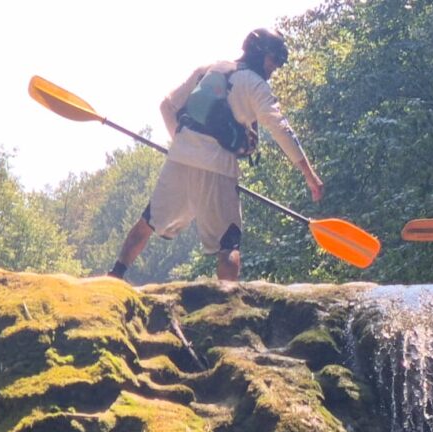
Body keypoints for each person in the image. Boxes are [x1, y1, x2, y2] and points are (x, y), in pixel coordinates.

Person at [107, 28, 324, 282]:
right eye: (274, 59)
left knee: (147, 222)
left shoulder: (209, 69)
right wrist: (309, 175)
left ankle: (115, 275)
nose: (274, 67)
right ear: (260, 53)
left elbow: (167, 105)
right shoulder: (256, 86)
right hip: (218, 168)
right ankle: (227, 306)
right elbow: (281, 129)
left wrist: (179, 141)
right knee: (228, 243)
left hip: (180, 158)